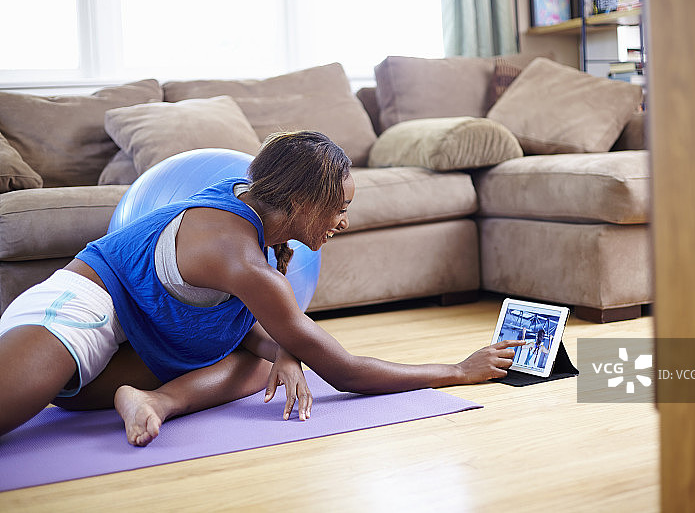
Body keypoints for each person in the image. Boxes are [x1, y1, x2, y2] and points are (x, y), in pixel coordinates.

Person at [0, 131, 523, 446]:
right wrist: (458, 370)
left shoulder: (250, 198)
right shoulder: (245, 261)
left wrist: (288, 353)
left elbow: (265, 337)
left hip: (139, 342)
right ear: (299, 201)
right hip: (84, 309)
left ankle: (154, 403)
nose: (342, 222)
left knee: (260, 365)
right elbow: (341, 370)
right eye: (338, 208)